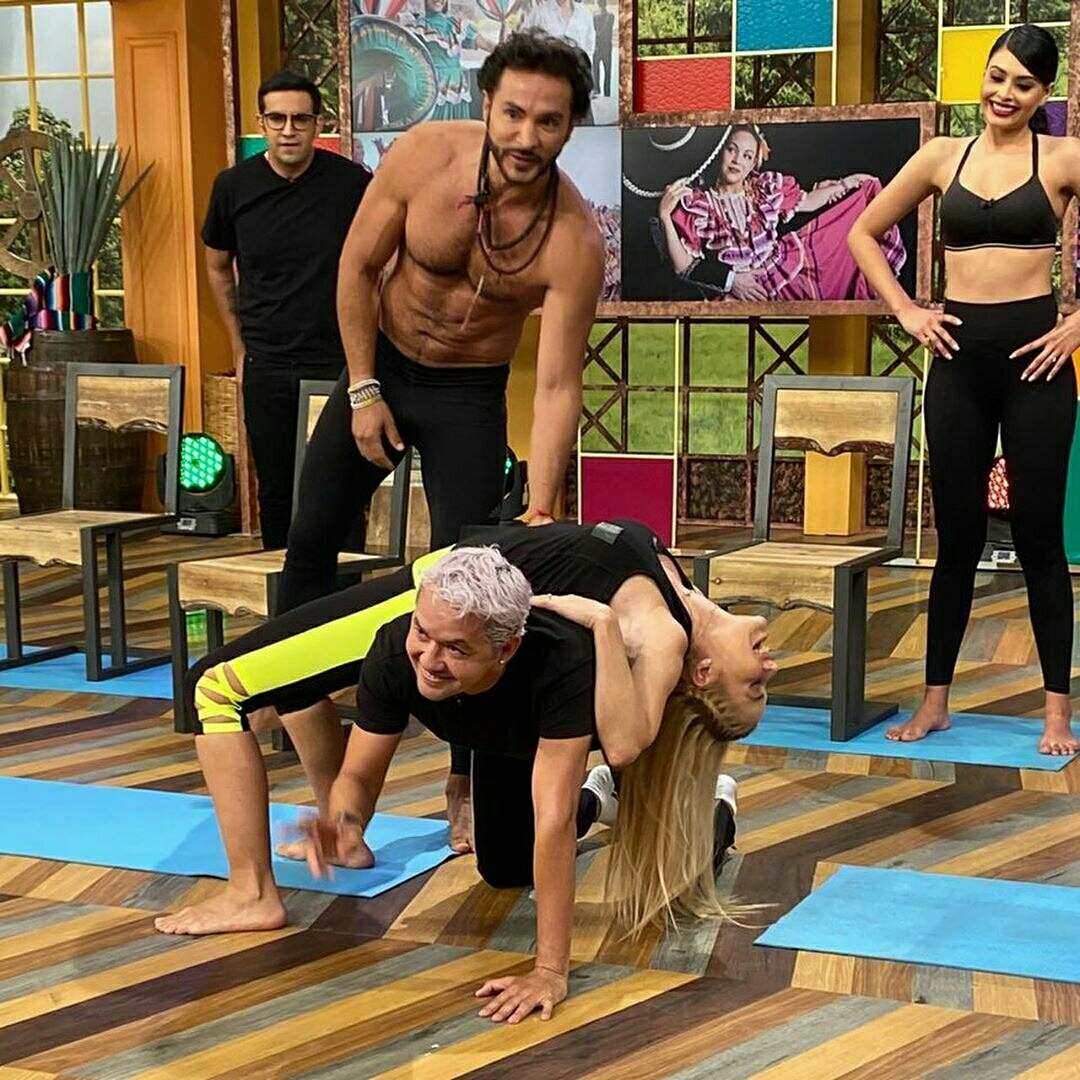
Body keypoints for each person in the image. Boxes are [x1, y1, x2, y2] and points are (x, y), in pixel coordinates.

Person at [154, 519, 776, 943]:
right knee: (505, 865)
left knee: (215, 686)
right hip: (497, 678)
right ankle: (634, 802)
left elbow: (625, 743)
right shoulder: (679, 585)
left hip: (463, 622)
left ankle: (252, 892)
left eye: (753, 687)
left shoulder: (663, 634)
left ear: (702, 672)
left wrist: (603, 625)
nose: (770, 667)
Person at [275, 30, 604, 826]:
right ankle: (326, 772)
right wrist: (362, 388)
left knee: (476, 590)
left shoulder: (574, 239)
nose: (527, 136)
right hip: (382, 366)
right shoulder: (424, 156)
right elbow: (357, 268)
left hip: (469, 395)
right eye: (514, 113)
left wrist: (543, 501)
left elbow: (557, 384)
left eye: (549, 122)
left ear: (570, 128)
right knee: (308, 547)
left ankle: (465, 781)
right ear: (486, 104)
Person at [847, 24, 1079, 756]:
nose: (1004, 93)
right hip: (956, 365)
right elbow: (863, 233)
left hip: (1037, 367)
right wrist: (908, 311)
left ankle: (1054, 713)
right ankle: (935, 702)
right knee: (957, 540)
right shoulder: (942, 156)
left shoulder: (1063, 157)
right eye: (997, 76)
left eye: (1023, 84)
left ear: (1044, 94)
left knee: (1040, 540)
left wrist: (1077, 326)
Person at [201, 71, 372, 549]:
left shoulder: (351, 184)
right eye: (277, 119)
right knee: (276, 491)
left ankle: (345, 590)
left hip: (336, 361)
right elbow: (217, 266)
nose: (289, 130)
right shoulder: (233, 187)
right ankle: (283, 591)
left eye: (300, 119)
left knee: (341, 487)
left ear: (318, 124)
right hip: (267, 361)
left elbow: (378, 266)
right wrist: (238, 347)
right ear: (262, 124)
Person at [657, 124, 906, 302]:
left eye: (747, 156)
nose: (737, 160)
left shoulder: (764, 189)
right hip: (734, 295)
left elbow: (807, 201)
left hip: (783, 274)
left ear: (754, 163)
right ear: (720, 152)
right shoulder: (698, 203)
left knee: (843, 241)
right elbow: (683, 267)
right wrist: (665, 217)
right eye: (731, 150)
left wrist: (846, 184)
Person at [401, 0, 496, 120]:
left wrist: (509, 52)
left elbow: (485, 43)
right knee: (434, 126)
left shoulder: (457, 25)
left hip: (457, 85)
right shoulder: (418, 27)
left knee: (458, 127)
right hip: (432, 86)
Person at [592, 0, 614, 98]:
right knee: (607, 70)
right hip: (607, 46)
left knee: (596, 69)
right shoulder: (611, 16)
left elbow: (594, 31)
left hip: (597, 46)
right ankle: (607, 91)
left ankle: (597, 89)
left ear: (598, 4)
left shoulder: (595, 16)